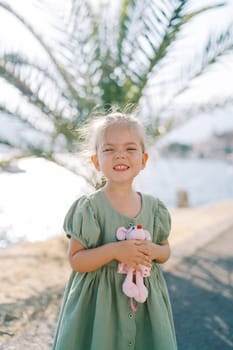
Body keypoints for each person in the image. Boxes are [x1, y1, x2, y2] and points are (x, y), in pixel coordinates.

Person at [52, 112, 177, 350]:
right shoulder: (89, 208)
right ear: (96, 161)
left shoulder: (155, 208)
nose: (120, 154)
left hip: (146, 307)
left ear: (144, 159)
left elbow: (165, 250)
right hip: (100, 308)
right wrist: (114, 250)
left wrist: (153, 250)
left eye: (130, 149)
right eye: (109, 149)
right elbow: (76, 260)